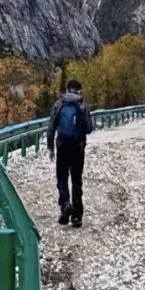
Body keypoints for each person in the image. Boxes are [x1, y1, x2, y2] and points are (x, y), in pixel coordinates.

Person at [46, 77, 94, 227]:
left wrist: (51, 147)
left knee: (62, 177)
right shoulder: (82, 106)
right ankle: (77, 216)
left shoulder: (59, 104)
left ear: (67, 89)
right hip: (78, 147)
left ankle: (65, 204)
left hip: (62, 146)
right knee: (76, 180)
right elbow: (89, 129)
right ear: (79, 90)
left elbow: (51, 127)